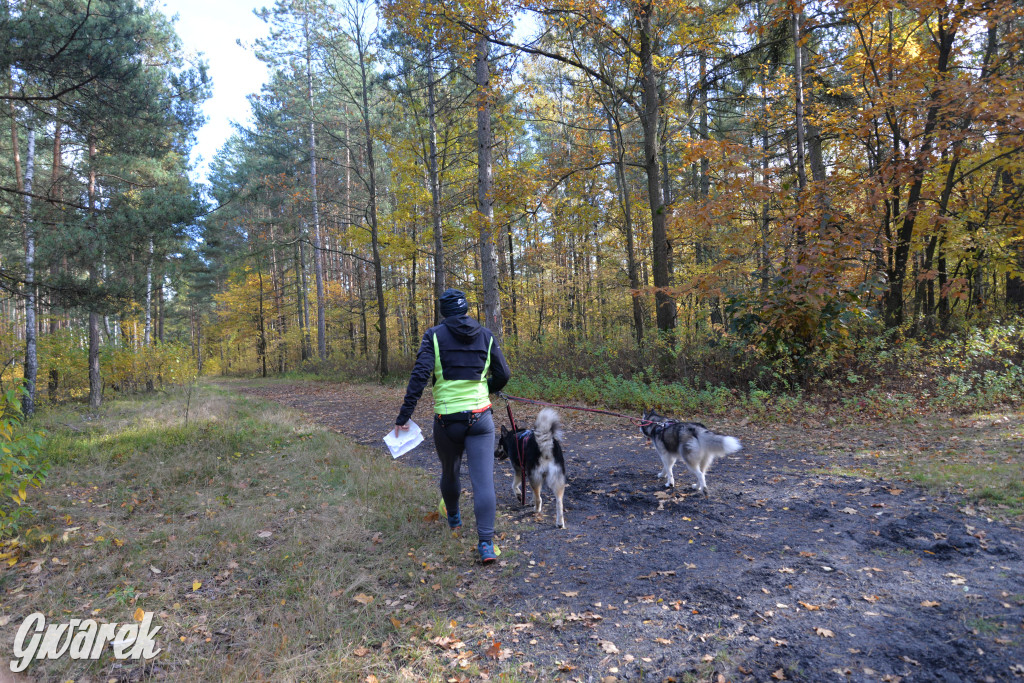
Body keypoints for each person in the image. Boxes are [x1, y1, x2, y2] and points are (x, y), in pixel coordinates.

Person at [394, 288, 510, 564]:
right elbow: (504, 374)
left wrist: (404, 416)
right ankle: (485, 545)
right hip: (481, 419)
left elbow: (420, 375)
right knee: (484, 483)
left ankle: (455, 519)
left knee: (450, 472)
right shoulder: (486, 335)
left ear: (443, 312)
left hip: (447, 421)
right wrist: (488, 387)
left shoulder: (434, 336)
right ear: (466, 309)